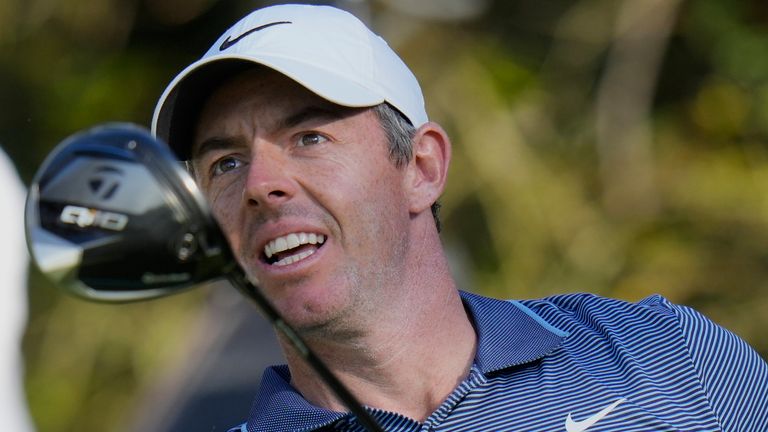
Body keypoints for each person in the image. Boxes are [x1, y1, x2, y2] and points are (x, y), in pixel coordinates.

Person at [151, 4, 768, 431]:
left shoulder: (666, 354)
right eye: (225, 165)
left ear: (420, 166)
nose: (260, 185)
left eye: (309, 138)